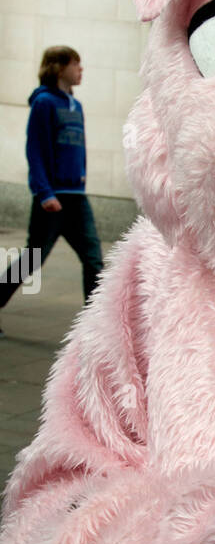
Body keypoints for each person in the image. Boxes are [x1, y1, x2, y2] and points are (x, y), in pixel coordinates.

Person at [0, 45, 104, 336]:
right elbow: (34, 150)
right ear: (59, 68)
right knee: (33, 259)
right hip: (52, 198)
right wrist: (44, 192)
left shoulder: (76, 105)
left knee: (93, 259)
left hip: (76, 196)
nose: (81, 70)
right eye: (76, 64)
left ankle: (95, 326)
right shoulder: (44, 103)